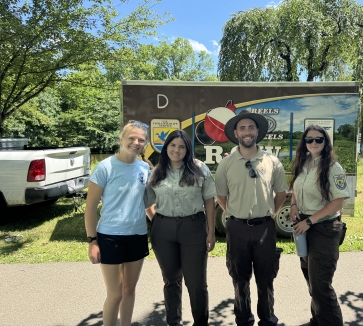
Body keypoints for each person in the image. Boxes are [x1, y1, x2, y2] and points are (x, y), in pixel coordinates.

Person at [216, 110, 288, 326]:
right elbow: (221, 196)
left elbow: (281, 193)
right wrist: (235, 212)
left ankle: (267, 319)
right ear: (236, 133)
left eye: (251, 127)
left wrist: (271, 214)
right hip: (236, 228)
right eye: (242, 128)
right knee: (239, 278)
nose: (247, 131)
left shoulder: (272, 161)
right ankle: (243, 319)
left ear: (257, 131)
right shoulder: (226, 164)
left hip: (265, 228)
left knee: (266, 279)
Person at [144, 129, 216, 326]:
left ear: (187, 149)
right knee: (171, 281)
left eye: (181, 146)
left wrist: (210, 231)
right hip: (163, 230)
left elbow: (210, 201)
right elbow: (146, 202)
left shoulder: (199, 169)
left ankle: (200, 323)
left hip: (193, 228)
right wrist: (157, 221)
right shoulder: (156, 172)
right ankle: (173, 322)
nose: (176, 150)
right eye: (172, 145)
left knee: (196, 283)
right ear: (166, 147)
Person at [85, 120, 151, 326]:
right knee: (115, 294)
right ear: (121, 139)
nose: (136, 142)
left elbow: (148, 205)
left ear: (145, 143)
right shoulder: (105, 167)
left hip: (138, 235)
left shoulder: (145, 168)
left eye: (141, 139)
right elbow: (90, 207)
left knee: (129, 290)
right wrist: (92, 241)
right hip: (110, 236)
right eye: (132, 138)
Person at [289, 125, 350, 326]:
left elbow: (339, 201)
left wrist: (309, 221)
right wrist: (294, 205)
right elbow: (296, 189)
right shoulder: (303, 163)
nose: (313, 143)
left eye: (318, 139)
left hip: (324, 229)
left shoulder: (334, 168)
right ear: (304, 143)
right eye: (309, 140)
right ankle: (317, 320)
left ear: (325, 143)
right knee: (310, 279)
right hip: (304, 228)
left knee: (321, 285)